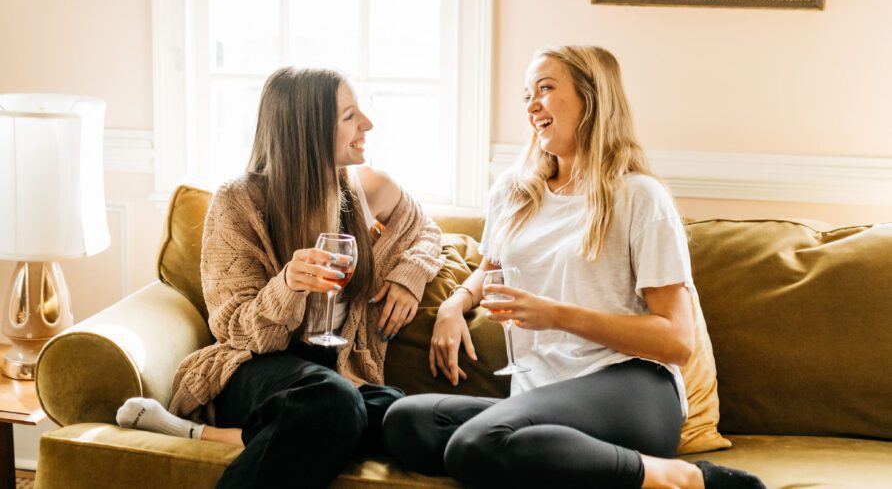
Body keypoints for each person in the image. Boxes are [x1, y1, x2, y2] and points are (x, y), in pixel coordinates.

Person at [382, 46, 765, 489]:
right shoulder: (514, 190)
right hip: (544, 392)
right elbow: (491, 269)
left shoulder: (638, 197)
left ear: (592, 97)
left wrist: (556, 314)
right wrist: (455, 303)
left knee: (475, 444)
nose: (532, 105)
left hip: (631, 387)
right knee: (406, 422)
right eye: (527, 94)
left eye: (545, 89)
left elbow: (677, 342)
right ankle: (552, 456)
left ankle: (681, 477)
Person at [115, 67, 444, 488]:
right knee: (334, 400)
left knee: (400, 418)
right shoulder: (238, 202)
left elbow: (426, 232)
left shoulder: (371, 188)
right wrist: (287, 286)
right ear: (307, 127)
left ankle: (199, 435)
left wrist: (408, 275)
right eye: (349, 116)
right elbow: (234, 328)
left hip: (337, 370)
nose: (368, 124)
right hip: (252, 367)